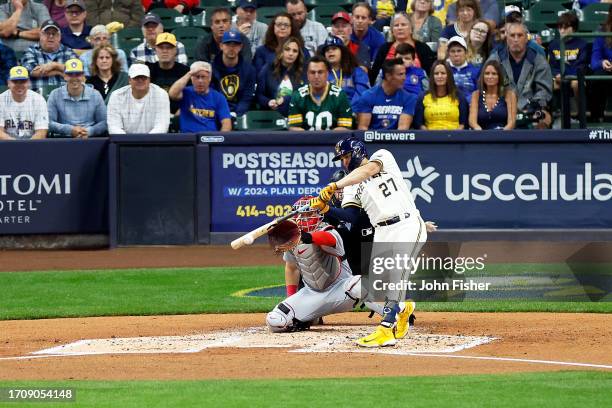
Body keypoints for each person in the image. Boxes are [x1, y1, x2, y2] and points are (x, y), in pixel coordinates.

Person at [312, 137, 434, 347]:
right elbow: (351, 216)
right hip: (382, 231)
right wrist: (326, 209)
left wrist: (335, 185)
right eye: (341, 158)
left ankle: (386, 329)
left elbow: (367, 171)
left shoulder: (382, 156)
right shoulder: (351, 186)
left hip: (407, 223)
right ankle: (403, 309)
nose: (344, 162)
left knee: (397, 275)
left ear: (359, 152)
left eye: (347, 156)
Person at [266, 195, 384, 333]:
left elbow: (328, 240)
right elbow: (291, 268)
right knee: (275, 321)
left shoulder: (329, 230)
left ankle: (392, 314)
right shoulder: (293, 241)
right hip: (312, 294)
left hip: (342, 291)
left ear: (319, 215)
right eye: (302, 215)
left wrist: (308, 237)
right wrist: (292, 298)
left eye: (309, 214)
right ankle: (307, 318)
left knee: (360, 284)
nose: (304, 218)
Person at [487, 22, 552, 129]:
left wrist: (531, 106)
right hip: (502, 106)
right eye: (512, 35)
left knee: (544, 118)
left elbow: (544, 91)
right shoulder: (495, 59)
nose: (516, 39)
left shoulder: (539, 60)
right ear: (507, 38)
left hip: (531, 108)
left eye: (520, 35)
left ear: (526, 38)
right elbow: (486, 86)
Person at [288, 56, 353, 131]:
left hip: (333, 142)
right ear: (307, 75)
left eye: (320, 72)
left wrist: (325, 139)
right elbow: (293, 127)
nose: (316, 76)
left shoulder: (340, 96)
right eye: (312, 72)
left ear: (327, 74)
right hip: (305, 141)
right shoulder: (298, 96)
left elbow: (345, 128)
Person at [370, 12, 436, 85]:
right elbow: (374, 75)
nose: (400, 28)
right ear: (392, 31)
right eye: (396, 25)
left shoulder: (422, 48)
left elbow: (431, 75)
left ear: (411, 28)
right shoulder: (384, 48)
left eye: (403, 25)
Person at [47, 58, 106, 137]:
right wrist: (70, 130)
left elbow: (104, 122)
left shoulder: (95, 95)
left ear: (83, 76)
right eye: (70, 74)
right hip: (63, 140)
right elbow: (48, 123)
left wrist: (89, 131)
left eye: (78, 74)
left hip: (90, 139)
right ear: (64, 76)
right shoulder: (54, 94)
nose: (74, 77)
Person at [353, 58, 417, 130]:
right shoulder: (367, 96)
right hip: (372, 140)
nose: (404, 78)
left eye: (405, 74)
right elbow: (363, 128)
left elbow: (402, 130)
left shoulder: (409, 98)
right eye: (400, 74)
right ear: (388, 76)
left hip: (396, 140)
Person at [168, 61, 232, 132]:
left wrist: (219, 140)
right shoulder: (185, 92)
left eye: (203, 77)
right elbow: (172, 94)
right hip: (188, 139)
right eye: (197, 77)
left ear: (209, 78)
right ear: (191, 78)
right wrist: (189, 73)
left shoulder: (219, 98)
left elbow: (226, 123)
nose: (200, 81)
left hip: (210, 139)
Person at [107, 63, 170, 134]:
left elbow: (162, 125)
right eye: (136, 77)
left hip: (153, 143)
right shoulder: (116, 96)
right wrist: (127, 142)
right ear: (129, 80)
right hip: (124, 143)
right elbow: (114, 126)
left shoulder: (161, 94)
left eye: (144, 77)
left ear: (149, 80)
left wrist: (146, 141)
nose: (140, 80)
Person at [21, 19, 78, 91]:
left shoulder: (68, 52)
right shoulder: (30, 51)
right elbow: (32, 71)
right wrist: (59, 72)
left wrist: (55, 65)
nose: (51, 36)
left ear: (59, 37)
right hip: (38, 97)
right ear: (40, 35)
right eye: (47, 33)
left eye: (54, 33)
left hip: (64, 98)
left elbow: (76, 70)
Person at [256, 36, 306, 116]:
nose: (291, 53)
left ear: (298, 54)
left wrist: (286, 99)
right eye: (287, 49)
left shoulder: (303, 72)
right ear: (281, 51)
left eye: (295, 51)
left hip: (295, 115)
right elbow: (259, 95)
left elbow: (305, 96)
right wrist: (268, 102)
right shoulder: (268, 68)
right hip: (271, 115)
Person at [211, 29, 256, 117]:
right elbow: (212, 95)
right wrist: (223, 114)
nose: (231, 48)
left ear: (240, 47)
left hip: (240, 114)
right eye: (228, 44)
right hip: (217, 113)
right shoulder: (211, 69)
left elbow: (247, 97)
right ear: (221, 46)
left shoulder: (249, 70)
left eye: (235, 45)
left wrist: (236, 114)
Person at [547, 13, 588, 110]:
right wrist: (557, 74)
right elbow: (551, 65)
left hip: (575, 77)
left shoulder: (582, 44)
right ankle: (551, 115)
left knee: (576, 84)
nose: (562, 31)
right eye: (560, 28)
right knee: (546, 84)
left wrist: (566, 75)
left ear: (573, 28)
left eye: (565, 28)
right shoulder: (553, 44)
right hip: (558, 77)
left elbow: (581, 65)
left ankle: (580, 114)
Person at [413, 60, 468, 129]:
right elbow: (419, 123)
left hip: (454, 137)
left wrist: (454, 136)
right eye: (436, 73)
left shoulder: (459, 96)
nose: (439, 76)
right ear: (432, 76)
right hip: (430, 137)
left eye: (443, 73)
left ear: (449, 76)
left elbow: (463, 123)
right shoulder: (423, 97)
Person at [145, 32, 189, 114]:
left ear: (175, 50)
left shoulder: (185, 72)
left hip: (180, 116)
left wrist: (182, 111)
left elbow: (192, 98)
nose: (165, 51)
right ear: (156, 50)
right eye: (161, 47)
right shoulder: (147, 70)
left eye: (169, 48)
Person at [0, 66, 48, 140]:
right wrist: (16, 145)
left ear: (28, 82)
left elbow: (41, 132)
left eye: (23, 81)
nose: (19, 85)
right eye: (15, 81)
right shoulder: (1, 100)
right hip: (7, 146)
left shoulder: (38, 100)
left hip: (33, 146)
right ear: (8, 83)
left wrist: (26, 147)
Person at [468, 59, 516, 130]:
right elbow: (472, 121)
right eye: (487, 73)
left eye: (494, 74)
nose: (490, 77)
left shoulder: (509, 94)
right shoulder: (476, 95)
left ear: (499, 76)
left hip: (503, 136)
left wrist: (502, 135)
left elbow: (511, 122)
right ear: (483, 76)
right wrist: (479, 131)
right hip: (482, 136)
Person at [320, 35, 370, 103]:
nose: (330, 51)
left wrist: (349, 110)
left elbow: (362, 94)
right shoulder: (320, 74)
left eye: (334, 48)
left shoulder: (357, 71)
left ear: (342, 51)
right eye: (327, 50)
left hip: (353, 110)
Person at [589, 5, 612, 123]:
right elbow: (594, 61)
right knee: (597, 77)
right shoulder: (602, 31)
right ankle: (597, 118)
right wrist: (602, 62)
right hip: (608, 72)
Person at [446, 36, 480, 104]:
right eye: (453, 51)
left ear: (466, 52)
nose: (456, 54)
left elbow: (479, 92)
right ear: (448, 54)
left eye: (459, 51)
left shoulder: (476, 70)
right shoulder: (444, 70)